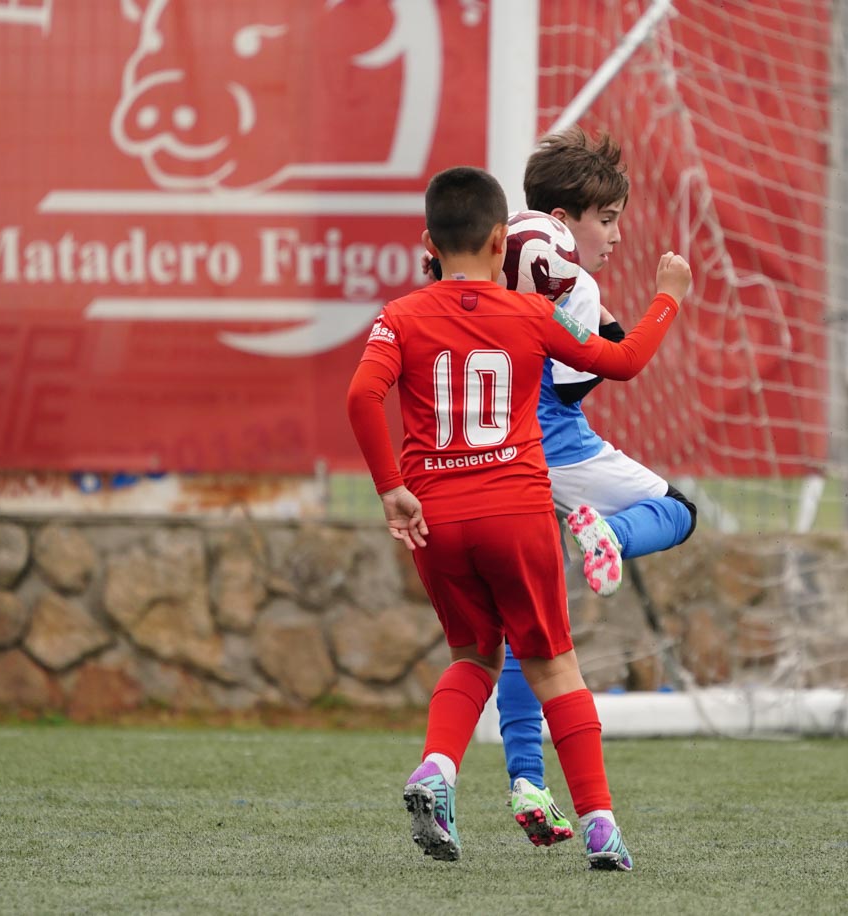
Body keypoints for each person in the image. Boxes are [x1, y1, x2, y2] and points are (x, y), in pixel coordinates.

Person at [345, 165, 692, 870]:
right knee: (554, 665)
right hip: (516, 507)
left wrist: (391, 489)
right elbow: (622, 362)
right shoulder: (531, 315)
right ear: (502, 240)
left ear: (428, 241)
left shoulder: (400, 317)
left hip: (435, 514)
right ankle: (600, 826)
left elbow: (360, 397)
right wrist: (667, 299)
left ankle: (437, 770)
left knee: (475, 653)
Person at [497, 127, 698, 847]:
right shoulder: (573, 282)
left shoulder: (491, 261)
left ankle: (525, 779)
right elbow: (603, 368)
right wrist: (666, 298)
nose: (614, 235)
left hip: (487, 455)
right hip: (552, 448)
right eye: (606, 220)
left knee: (528, 627)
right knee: (677, 509)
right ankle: (609, 532)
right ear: (564, 219)